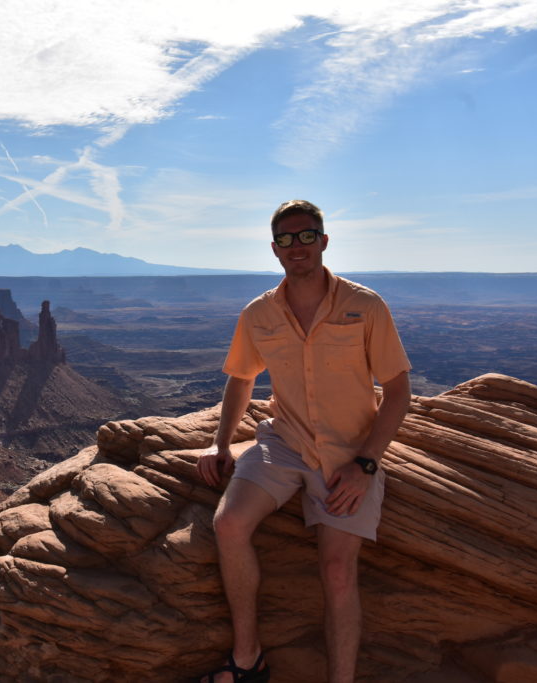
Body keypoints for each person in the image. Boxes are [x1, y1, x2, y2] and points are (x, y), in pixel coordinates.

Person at [196, 200, 411, 683]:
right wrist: (220, 443)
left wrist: (367, 464)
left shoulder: (365, 305)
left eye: (307, 235)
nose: (298, 247)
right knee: (229, 525)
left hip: (349, 454)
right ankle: (248, 661)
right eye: (288, 240)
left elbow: (398, 392)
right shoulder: (259, 313)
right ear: (275, 250)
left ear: (324, 241)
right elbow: (241, 379)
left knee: (336, 573)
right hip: (283, 443)